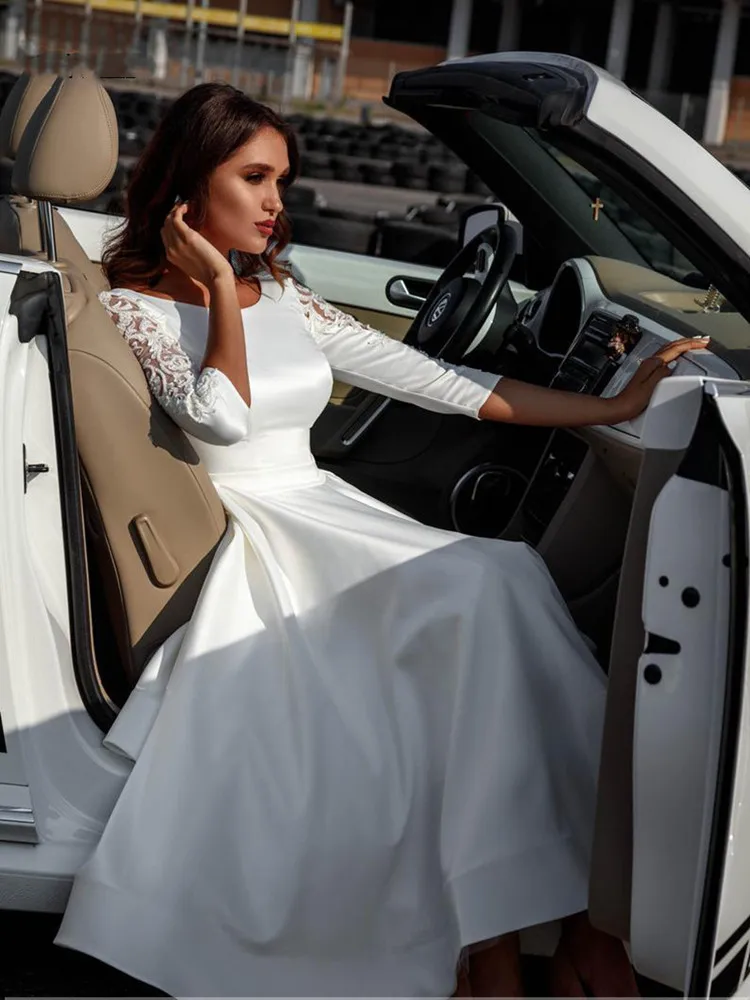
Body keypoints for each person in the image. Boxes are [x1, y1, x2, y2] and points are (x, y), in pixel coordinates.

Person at [54, 82, 708, 999]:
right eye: (254, 177)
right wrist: (222, 295)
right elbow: (223, 420)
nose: (276, 202)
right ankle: (539, 943)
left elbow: (434, 379)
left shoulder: (285, 293)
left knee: (506, 579)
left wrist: (611, 406)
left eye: (283, 179)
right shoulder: (134, 308)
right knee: (485, 586)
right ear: (191, 183)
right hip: (268, 530)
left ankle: (524, 939)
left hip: (328, 505)